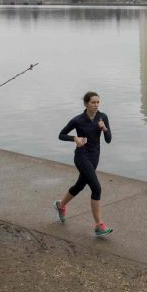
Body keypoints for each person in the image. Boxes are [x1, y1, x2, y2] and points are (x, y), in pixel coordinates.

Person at [54, 91, 113, 236]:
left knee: (80, 185)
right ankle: (99, 225)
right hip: (81, 155)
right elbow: (61, 135)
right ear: (86, 104)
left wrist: (104, 128)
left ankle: (61, 205)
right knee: (96, 188)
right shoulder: (78, 120)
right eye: (93, 102)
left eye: (98, 102)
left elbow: (109, 139)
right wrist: (74, 138)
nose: (96, 105)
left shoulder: (102, 117)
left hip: (94, 156)